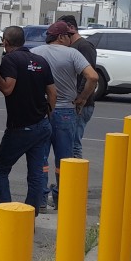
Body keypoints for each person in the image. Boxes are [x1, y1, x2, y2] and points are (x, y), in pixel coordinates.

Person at [0, 26, 56, 218]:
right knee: (35, 175)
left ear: (6, 43)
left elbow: (8, 89)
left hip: (20, 128)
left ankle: (5, 216)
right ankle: (29, 218)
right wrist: (47, 116)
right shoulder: (40, 60)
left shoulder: (10, 59)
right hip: (42, 126)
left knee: (1, 170)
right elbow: (53, 93)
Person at [31, 21, 98, 210]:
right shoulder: (73, 54)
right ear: (61, 37)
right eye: (68, 36)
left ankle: (41, 200)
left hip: (42, 112)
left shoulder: (36, 52)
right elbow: (93, 77)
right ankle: (62, 200)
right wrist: (82, 98)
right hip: (66, 113)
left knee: (40, 158)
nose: (71, 39)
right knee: (65, 160)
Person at [60, 15, 97, 158]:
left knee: (74, 144)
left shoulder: (84, 46)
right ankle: (68, 179)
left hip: (81, 104)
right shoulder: (72, 46)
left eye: (63, 29)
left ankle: (75, 179)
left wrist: (81, 98)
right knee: (69, 143)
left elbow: (90, 76)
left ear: (71, 27)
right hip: (75, 102)